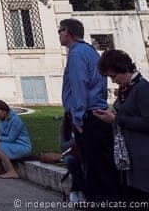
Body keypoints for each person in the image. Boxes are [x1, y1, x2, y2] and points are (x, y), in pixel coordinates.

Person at [59, 18, 119, 201]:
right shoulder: (91, 52)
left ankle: (98, 202)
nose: (59, 35)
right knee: (104, 165)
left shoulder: (76, 54)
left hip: (87, 117)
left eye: (60, 31)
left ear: (68, 32)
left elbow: (79, 85)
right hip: (99, 113)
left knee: (92, 166)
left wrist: (77, 118)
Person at [94, 49, 149, 202]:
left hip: (143, 157)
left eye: (113, 76)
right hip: (129, 156)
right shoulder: (127, 89)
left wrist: (116, 119)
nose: (113, 81)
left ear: (123, 69)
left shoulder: (142, 88)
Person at [0, 100, 31, 179]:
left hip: (22, 146)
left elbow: (11, 138)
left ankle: (12, 171)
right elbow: (0, 136)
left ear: (4, 110)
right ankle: (0, 168)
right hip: (10, 144)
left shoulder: (15, 119)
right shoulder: (0, 120)